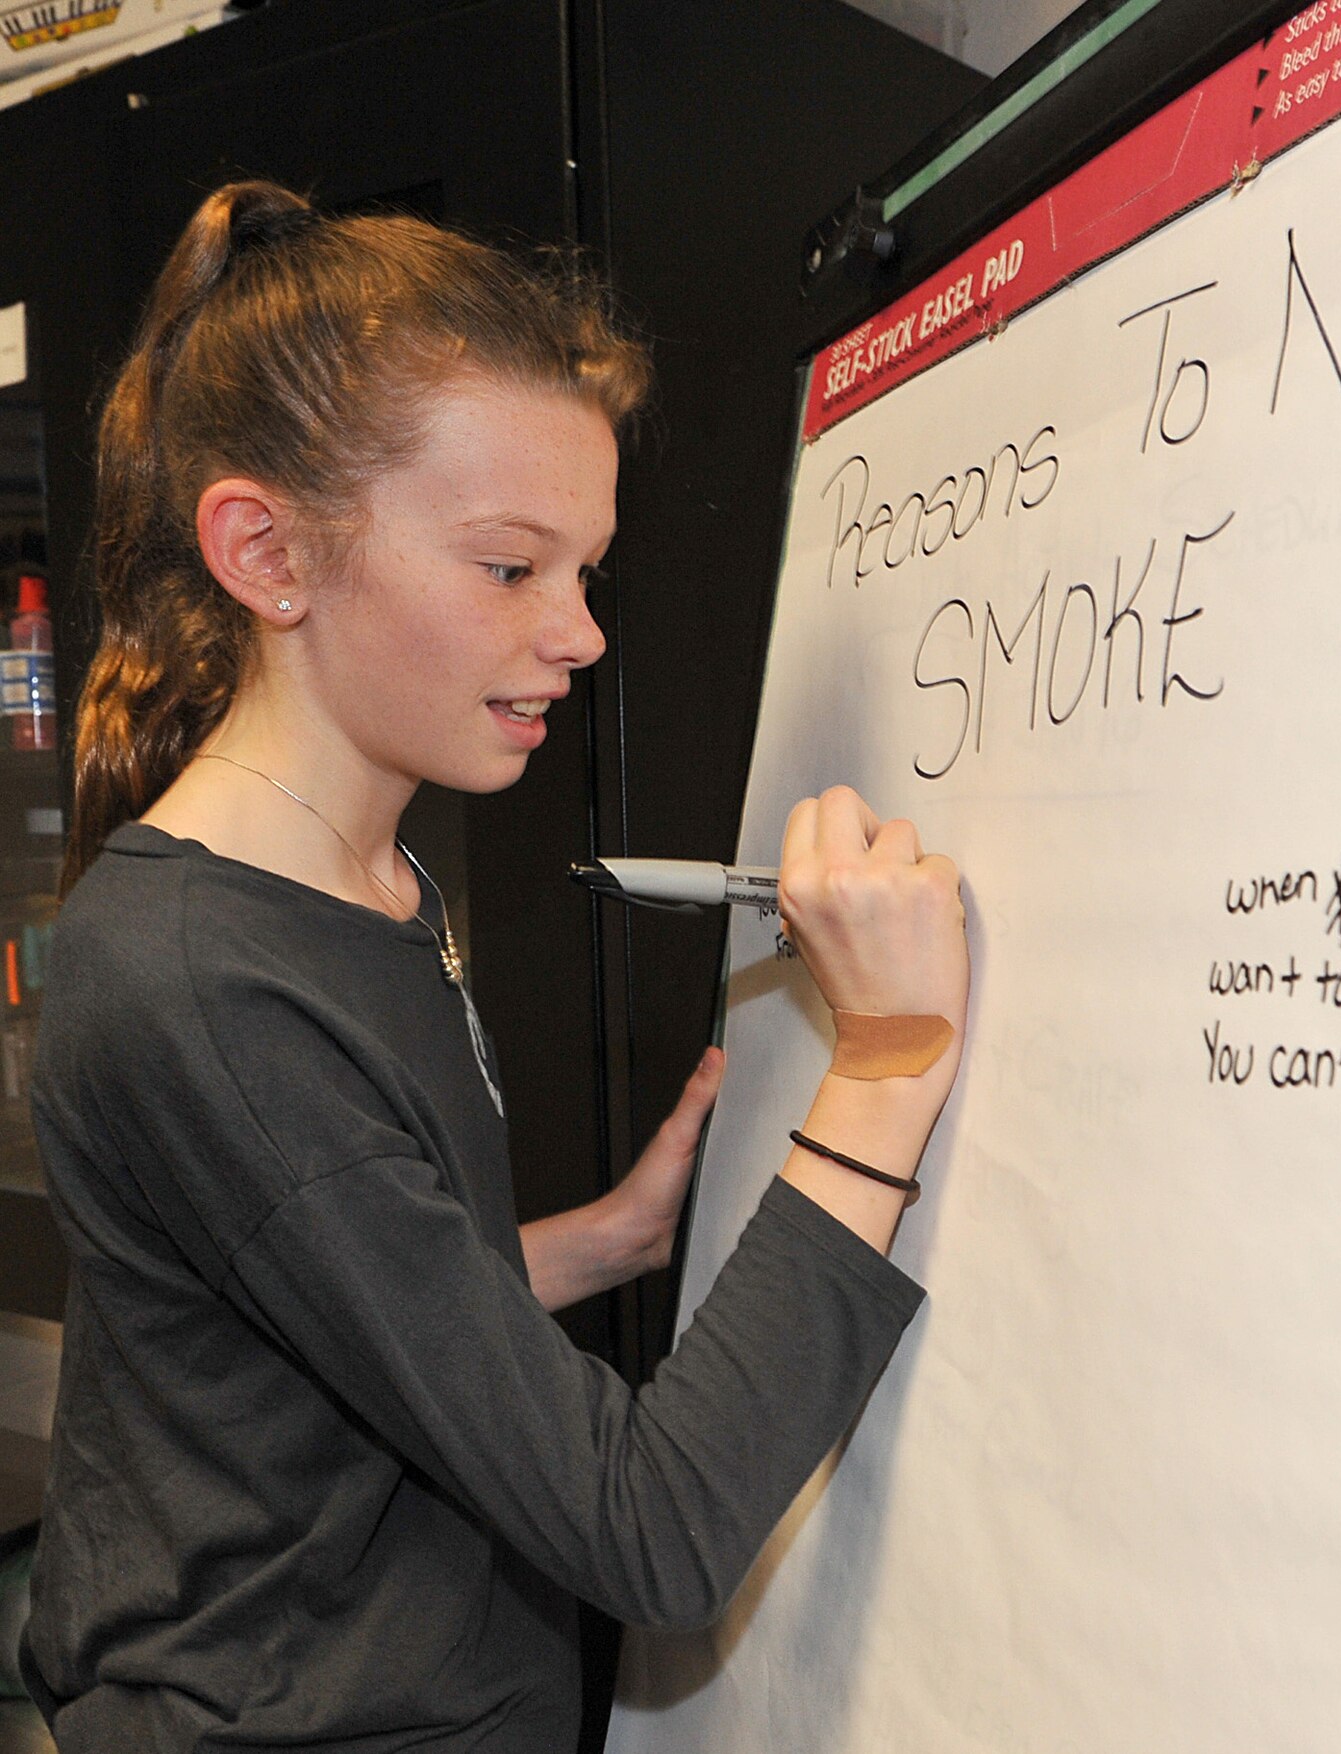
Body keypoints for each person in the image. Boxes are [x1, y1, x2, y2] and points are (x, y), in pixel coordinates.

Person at [18, 180, 968, 1750]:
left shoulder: (372, 882)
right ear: (267, 552)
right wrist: (889, 1057)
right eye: (513, 568)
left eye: (586, 570)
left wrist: (595, 1242)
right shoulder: (201, 984)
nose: (581, 633)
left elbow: (322, 1297)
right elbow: (650, 1531)